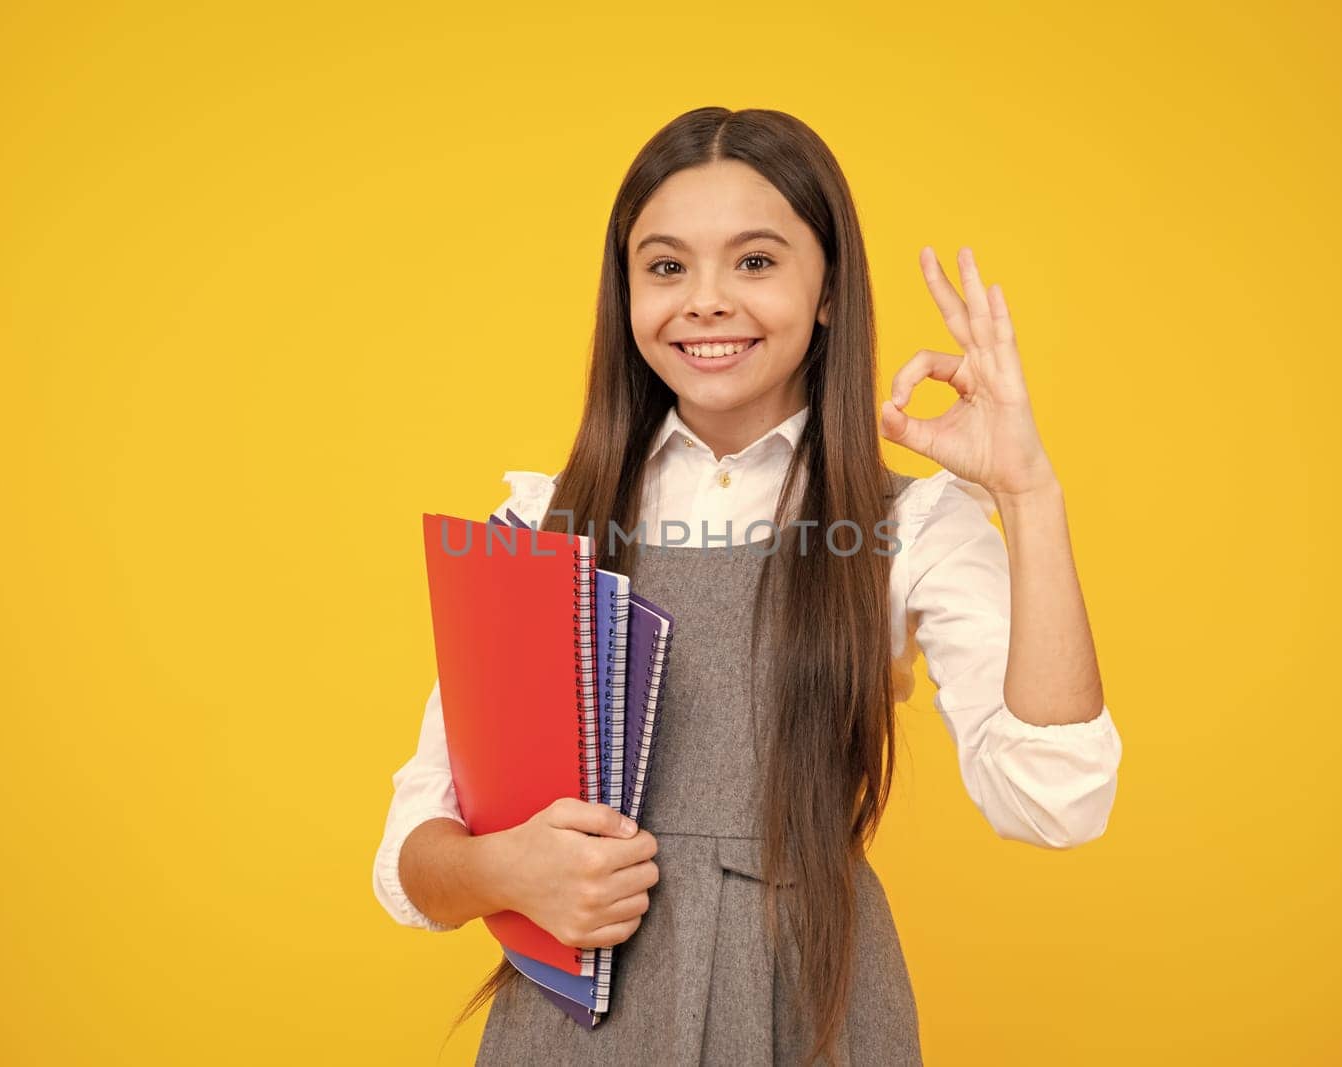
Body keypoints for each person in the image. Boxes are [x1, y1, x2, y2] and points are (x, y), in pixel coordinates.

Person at [372, 106, 1125, 1066]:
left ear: (827, 291)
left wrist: (1027, 493)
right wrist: (503, 869)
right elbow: (413, 858)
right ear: (627, 293)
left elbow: (1055, 801)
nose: (706, 301)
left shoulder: (907, 526)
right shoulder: (540, 523)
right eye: (667, 266)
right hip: (574, 1029)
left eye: (757, 262)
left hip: (803, 1015)